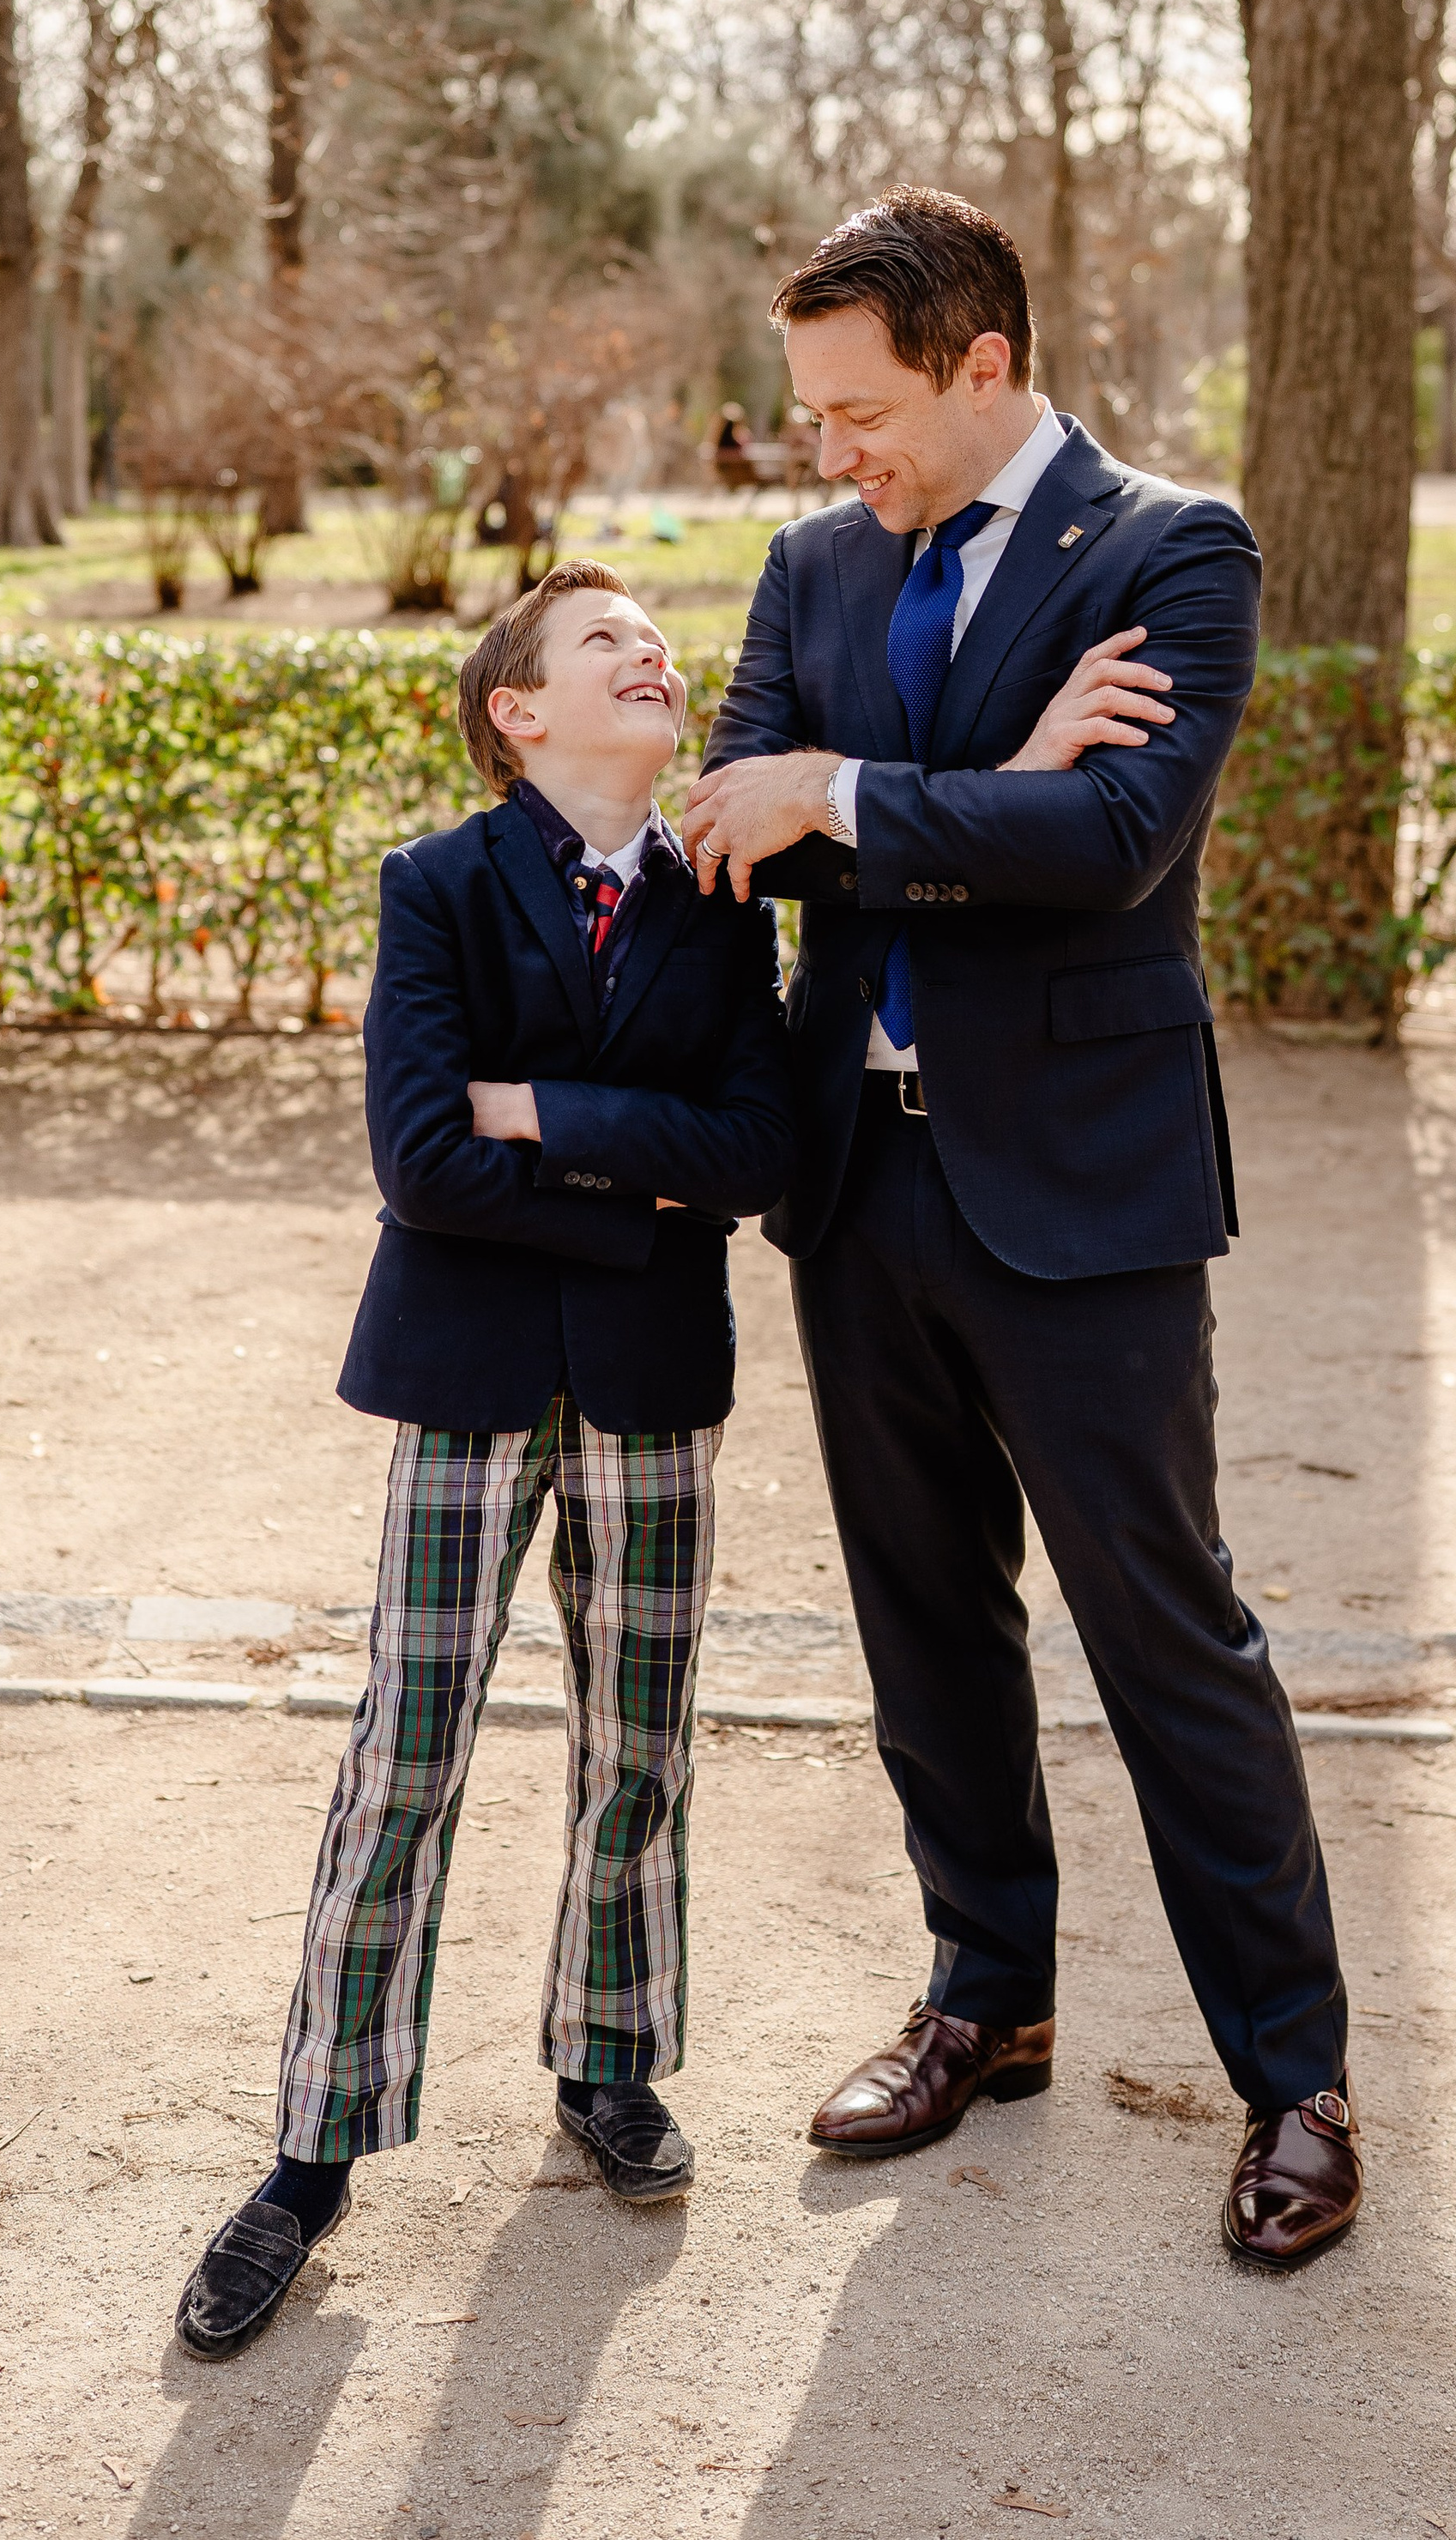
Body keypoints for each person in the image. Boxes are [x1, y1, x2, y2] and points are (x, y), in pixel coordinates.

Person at [681, 185, 1359, 2270]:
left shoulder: (1172, 546)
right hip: (855, 1180)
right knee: (921, 1620)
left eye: (859, 407)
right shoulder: (811, 561)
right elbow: (727, 823)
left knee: (1167, 1630)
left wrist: (856, 794)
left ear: (983, 364)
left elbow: (1115, 841)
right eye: (808, 412)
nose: (827, 453)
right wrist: (961, 780)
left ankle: (1294, 2079)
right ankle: (990, 1992)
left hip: (1084, 1188)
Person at [174, 563, 794, 2361]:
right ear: (516, 710)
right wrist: (640, 1182)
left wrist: (552, 1117)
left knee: (641, 1742)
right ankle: (314, 2144)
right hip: (462, 1377)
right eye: (605, 641)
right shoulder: (435, 887)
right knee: (405, 1755)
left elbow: (754, 1151)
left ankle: (606, 2058)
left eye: (656, 640)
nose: (650, 654)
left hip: (653, 1383)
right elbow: (423, 1165)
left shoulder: (716, 895)